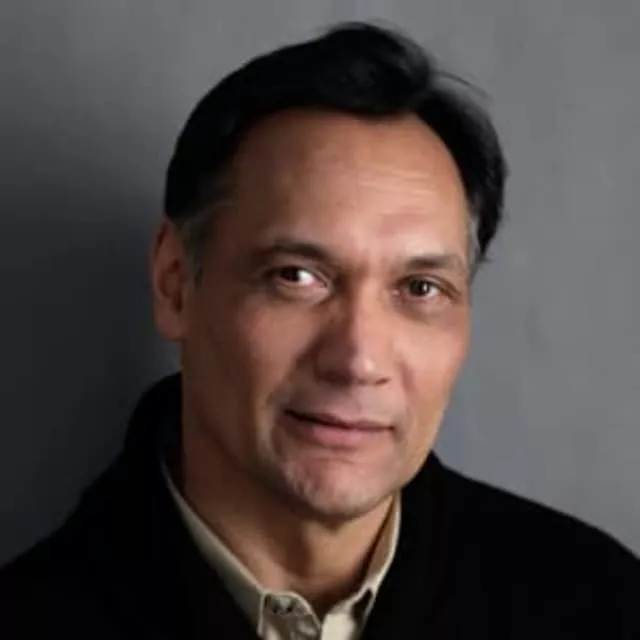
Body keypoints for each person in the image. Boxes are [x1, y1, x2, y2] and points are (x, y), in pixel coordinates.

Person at [1, 21, 638, 640]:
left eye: (420, 288)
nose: (359, 360)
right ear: (174, 284)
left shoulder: (598, 606)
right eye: (297, 277)